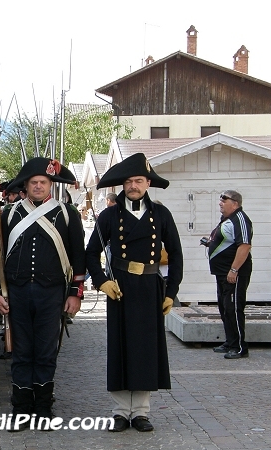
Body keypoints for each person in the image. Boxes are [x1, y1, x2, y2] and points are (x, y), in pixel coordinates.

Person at [85, 152, 183, 433]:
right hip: (120, 287)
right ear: (122, 185)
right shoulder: (109, 215)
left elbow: (176, 255)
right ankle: (119, 412)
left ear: (147, 183)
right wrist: (102, 281)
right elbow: (91, 253)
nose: (133, 186)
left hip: (151, 288)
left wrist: (171, 291)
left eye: (138, 180)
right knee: (120, 346)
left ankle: (140, 412)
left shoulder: (161, 214)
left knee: (145, 349)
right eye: (128, 181)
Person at [0, 157, 86, 430]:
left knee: (45, 352)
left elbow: (78, 257)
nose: (39, 186)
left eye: (44, 182)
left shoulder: (66, 214)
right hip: (17, 293)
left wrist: (75, 293)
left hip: (52, 293)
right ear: (27, 185)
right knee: (21, 352)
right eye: (34, 182)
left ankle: (43, 409)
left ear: (50, 185)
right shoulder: (9, 214)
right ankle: (20, 410)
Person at [205, 190, 252, 359]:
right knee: (225, 307)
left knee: (233, 308)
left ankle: (240, 347)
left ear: (235, 204)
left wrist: (234, 270)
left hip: (234, 273)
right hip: (221, 273)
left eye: (224, 200)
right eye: (220, 200)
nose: (220, 203)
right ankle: (230, 342)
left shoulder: (240, 219)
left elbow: (244, 245)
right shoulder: (226, 220)